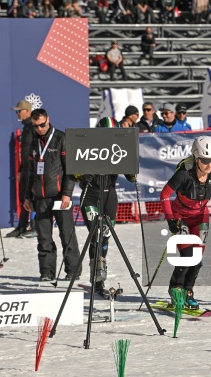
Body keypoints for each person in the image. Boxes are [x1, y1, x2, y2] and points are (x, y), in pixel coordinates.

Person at [161, 136, 211, 309]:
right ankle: (176, 289)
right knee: (187, 256)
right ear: (196, 157)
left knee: (197, 259)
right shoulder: (184, 174)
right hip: (181, 217)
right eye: (205, 160)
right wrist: (171, 219)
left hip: (201, 217)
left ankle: (188, 291)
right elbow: (164, 195)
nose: (210, 165)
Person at [79, 117, 137, 295]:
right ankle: (95, 277)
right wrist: (82, 175)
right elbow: (75, 170)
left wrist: (132, 166)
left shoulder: (117, 147)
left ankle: (100, 276)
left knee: (105, 235)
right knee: (95, 234)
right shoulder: (89, 145)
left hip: (109, 194)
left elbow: (131, 177)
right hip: (90, 195)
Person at [24, 108, 80, 281]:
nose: (40, 128)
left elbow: (70, 170)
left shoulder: (61, 139)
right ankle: (47, 272)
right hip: (40, 196)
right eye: (36, 126)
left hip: (59, 196)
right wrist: (28, 195)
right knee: (44, 237)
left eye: (42, 124)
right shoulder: (34, 143)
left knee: (66, 233)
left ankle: (73, 270)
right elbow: (31, 171)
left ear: (48, 119)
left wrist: (67, 194)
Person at [7, 99, 36, 238]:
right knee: (23, 197)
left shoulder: (34, 127)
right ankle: (22, 226)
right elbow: (23, 153)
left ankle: (35, 227)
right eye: (17, 111)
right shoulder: (26, 127)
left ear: (28, 112)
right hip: (25, 168)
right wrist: (20, 169)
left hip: (33, 168)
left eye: (19, 111)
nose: (17, 114)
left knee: (32, 197)